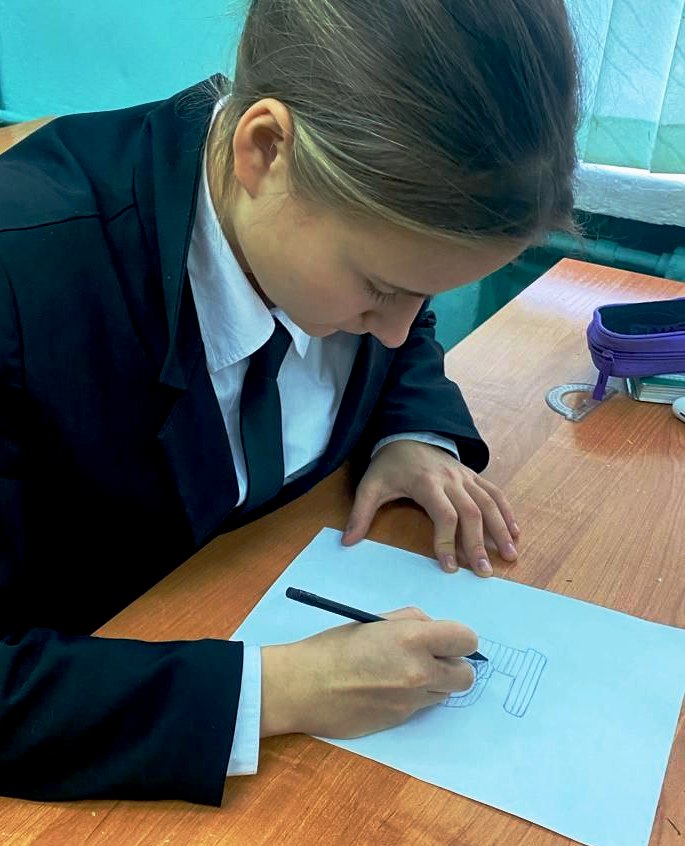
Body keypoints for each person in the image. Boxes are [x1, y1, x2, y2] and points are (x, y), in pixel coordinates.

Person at [0, 0, 579, 805]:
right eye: (379, 287)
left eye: (428, 293)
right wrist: (278, 691)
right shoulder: (25, 281)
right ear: (264, 150)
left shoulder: (332, 235)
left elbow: (405, 335)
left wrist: (413, 431)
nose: (396, 327)